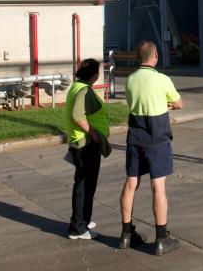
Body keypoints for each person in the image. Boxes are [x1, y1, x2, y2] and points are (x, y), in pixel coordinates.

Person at [120, 41, 183, 256]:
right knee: (158, 186)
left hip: (135, 136)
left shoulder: (130, 80)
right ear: (155, 55)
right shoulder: (162, 79)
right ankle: (161, 238)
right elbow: (179, 103)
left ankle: (126, 234)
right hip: (157, 137)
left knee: (131, 183)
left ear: (138, 57)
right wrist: (167, 105)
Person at [65, 58, 111, 240]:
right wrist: (93, 134)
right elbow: (77, 115)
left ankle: (82, 220)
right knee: (85, 186)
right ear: (94, 74)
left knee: (84, 184)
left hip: (81, 142)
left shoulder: (77, 86)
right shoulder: (83, 90)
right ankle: (78, 228)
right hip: (86, 144)